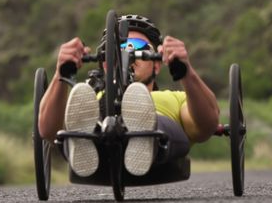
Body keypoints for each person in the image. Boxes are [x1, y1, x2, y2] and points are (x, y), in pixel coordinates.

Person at [38, 14, 219, 177]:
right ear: (105, 65)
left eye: (136, 47)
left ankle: (143, 131)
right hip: (100, 136)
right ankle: (87, 137)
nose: (127, 53)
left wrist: (186, 71)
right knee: (80, 115)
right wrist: (61, 73)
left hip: (161, 139)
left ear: (156, 63)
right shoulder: (87, 98)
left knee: (157, 122)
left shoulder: (175, 98)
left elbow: (205, 127)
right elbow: (48, 131)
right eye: (119, 48)